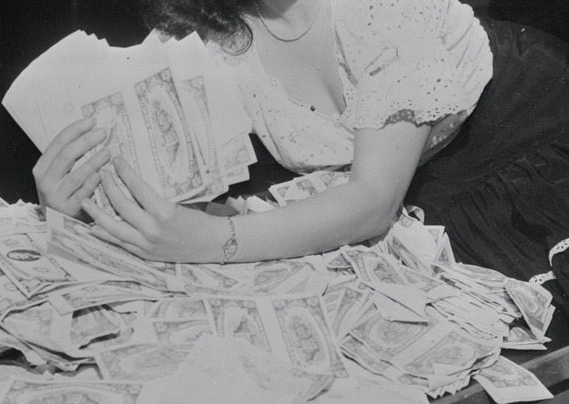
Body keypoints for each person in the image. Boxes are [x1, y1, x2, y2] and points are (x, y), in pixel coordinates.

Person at [32, 0, 569, 307]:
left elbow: (372, 200)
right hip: (417, 208)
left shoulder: (382, 8)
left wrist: (215, 239)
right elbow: (171, 197)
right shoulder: (210, 38)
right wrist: (77, 202)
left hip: (532, 158)